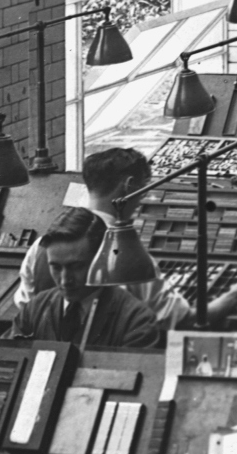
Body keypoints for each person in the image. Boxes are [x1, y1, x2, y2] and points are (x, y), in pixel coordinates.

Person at [12, 144, 165, 344]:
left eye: (77, 267)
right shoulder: (35, 309)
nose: (65, 280)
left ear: (99, 263)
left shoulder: (136, 320)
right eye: (56, 267)